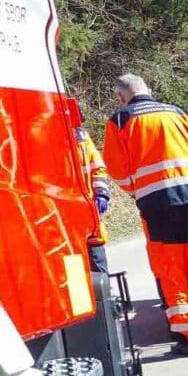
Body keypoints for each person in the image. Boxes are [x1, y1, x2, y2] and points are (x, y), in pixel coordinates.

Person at [102, 73, 188, 355]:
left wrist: (137, 190)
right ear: (149, 89)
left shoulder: (121, 121)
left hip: (157, 206)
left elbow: (117, 169)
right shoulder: (177, 113)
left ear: (122, 97)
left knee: (172, 273)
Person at [74, 117, 112, 274]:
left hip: (88, 209)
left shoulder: (81, 136)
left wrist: (101, 193)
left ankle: (103, 292)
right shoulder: (39, 136)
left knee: (96, 248)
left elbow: (97, 167)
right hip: (62, 216)